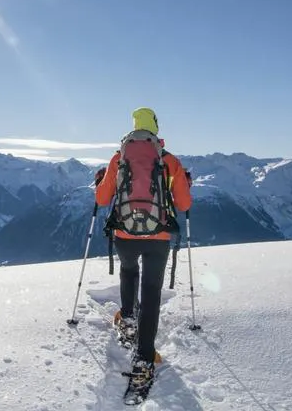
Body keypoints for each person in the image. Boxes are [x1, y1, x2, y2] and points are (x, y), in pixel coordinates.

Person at [94, 107, 192, 390]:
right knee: (151, 292)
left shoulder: (118, 158)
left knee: (128, 271)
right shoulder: (168, 161)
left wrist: (102, 179)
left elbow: (102, 199)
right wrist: (185, 182)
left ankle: (127, 319)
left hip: (124, 233)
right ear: (156, 130)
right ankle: (145, 357)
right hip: (158, 238)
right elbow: (183, 205)